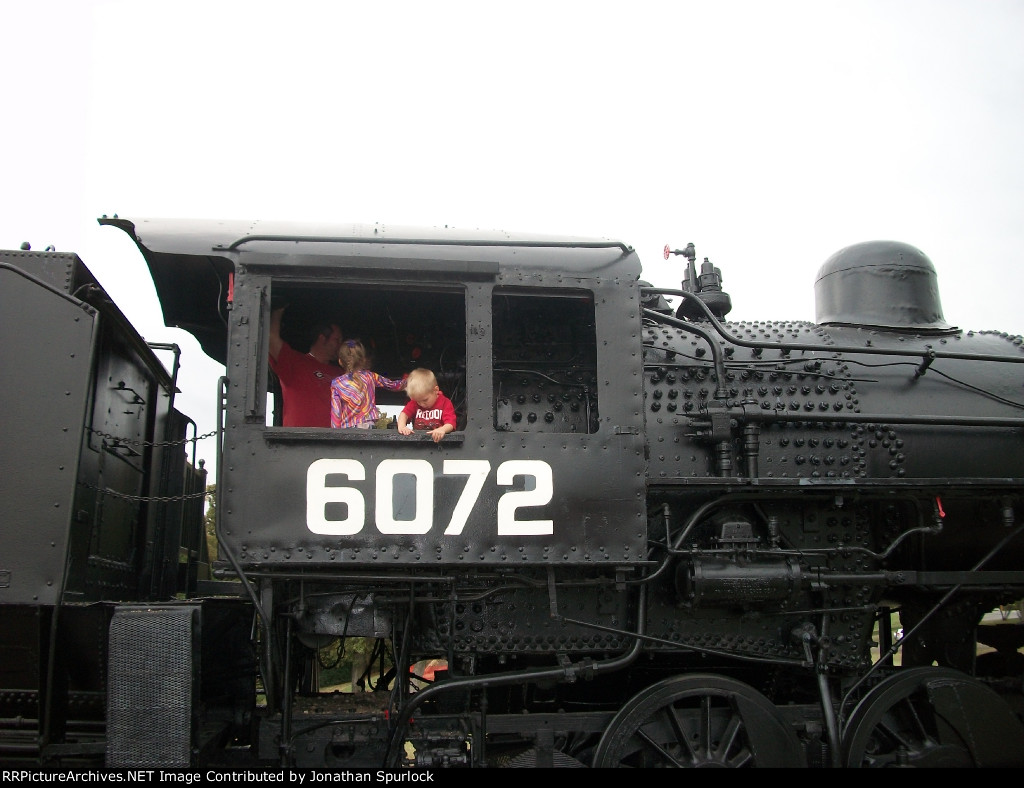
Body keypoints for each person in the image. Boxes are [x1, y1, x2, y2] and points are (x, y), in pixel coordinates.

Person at [268, 305, 344, 427]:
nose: (341, 345)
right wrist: (278, 310)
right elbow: (271, 339)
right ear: (322, 338)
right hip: (299, 443)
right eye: (337, 340)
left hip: (336, 443)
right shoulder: (295, 362)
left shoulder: (341, 373)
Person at [330, 339, 406, 428]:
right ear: (363, 360)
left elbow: (336, 415)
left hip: (347, 431)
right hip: (368, 429)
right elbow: (394, 386)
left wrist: (335, 436)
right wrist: (410, 380)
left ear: (340, 361)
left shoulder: (336, 383)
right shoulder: (370, 377)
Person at [397, 368, 457, 443]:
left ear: (435, 390)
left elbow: (450, 424)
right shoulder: (414, 403)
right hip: (419, 442)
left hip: (438, 442)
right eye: (418, 401)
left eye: (425, 400)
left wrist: (442, 430)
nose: (421, 404)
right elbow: (404, 414)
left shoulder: (445, 403)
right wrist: (402, 426)